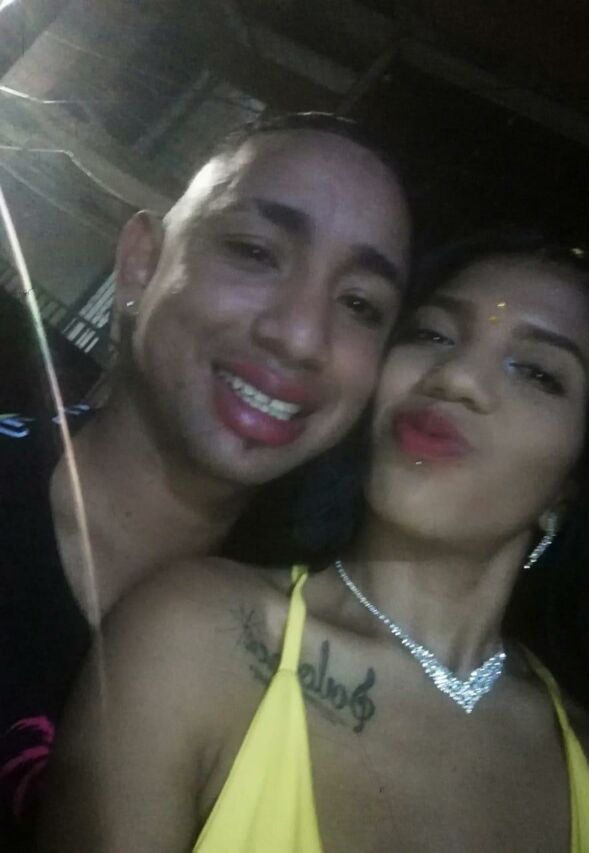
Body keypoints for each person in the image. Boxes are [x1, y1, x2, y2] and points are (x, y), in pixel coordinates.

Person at [38, 231, 589, 852]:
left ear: (572, 482)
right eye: (432, 334)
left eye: (537, 372)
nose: (456, 377)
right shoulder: (196, 637)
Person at [0, 112, 411, 842]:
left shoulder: (316, 671)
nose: (300, 336)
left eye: (359, 305)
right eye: (256, 252)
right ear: (140, 265)